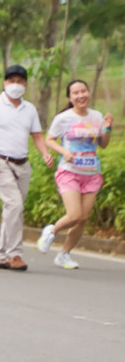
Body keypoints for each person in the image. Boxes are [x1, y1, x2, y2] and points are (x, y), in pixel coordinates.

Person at [0, 65, 53, 271]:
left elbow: (37, 135)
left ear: (25, 84)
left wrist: (44, 152)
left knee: (13, 210)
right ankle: (15, 254)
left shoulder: (30, 109)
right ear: (4, 83)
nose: (15, 85)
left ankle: (1, 255)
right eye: (11, 80)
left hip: (22, 163)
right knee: (15, 205)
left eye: (19, 81)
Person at [37, 79, 114, 270]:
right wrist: (64, 152)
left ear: (88, 93)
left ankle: (64, 254)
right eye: (75, 93)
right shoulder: (64, 118)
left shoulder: (96, 116)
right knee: (74, 214)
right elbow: (49, 140)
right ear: (70, 98)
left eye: (83, 91)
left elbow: (103, 144)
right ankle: (51, 231)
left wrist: (107, 128)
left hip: (91, 174)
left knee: (82, 219)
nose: (81, 95)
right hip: (69, 172)